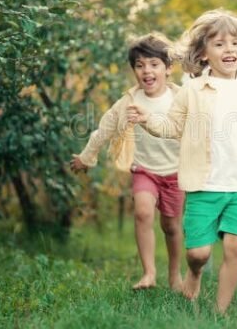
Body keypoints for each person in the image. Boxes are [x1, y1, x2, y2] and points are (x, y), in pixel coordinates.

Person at [127, 9, 237, 314]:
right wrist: (146, 119)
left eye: (235, 43)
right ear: (204, 54)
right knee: (199, 253)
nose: (229, 49)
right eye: (219, 44)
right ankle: (193, 274)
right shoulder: (193, 90)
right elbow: (172, 126)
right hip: (203, 185)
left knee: (236, 246)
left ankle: (219, 313)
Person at [70, 33, 184, 291]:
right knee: (143, 212)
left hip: (176, 173)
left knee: (171, 225)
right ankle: (149, 273)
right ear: (134, 70)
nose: (147, 71)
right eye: (140, 65)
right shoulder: (128, 102)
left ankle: (175, 275)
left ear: (168, 68)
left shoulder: (181, 99)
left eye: (154, 64)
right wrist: (86, 157)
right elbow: (104, 129)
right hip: (144, 169)